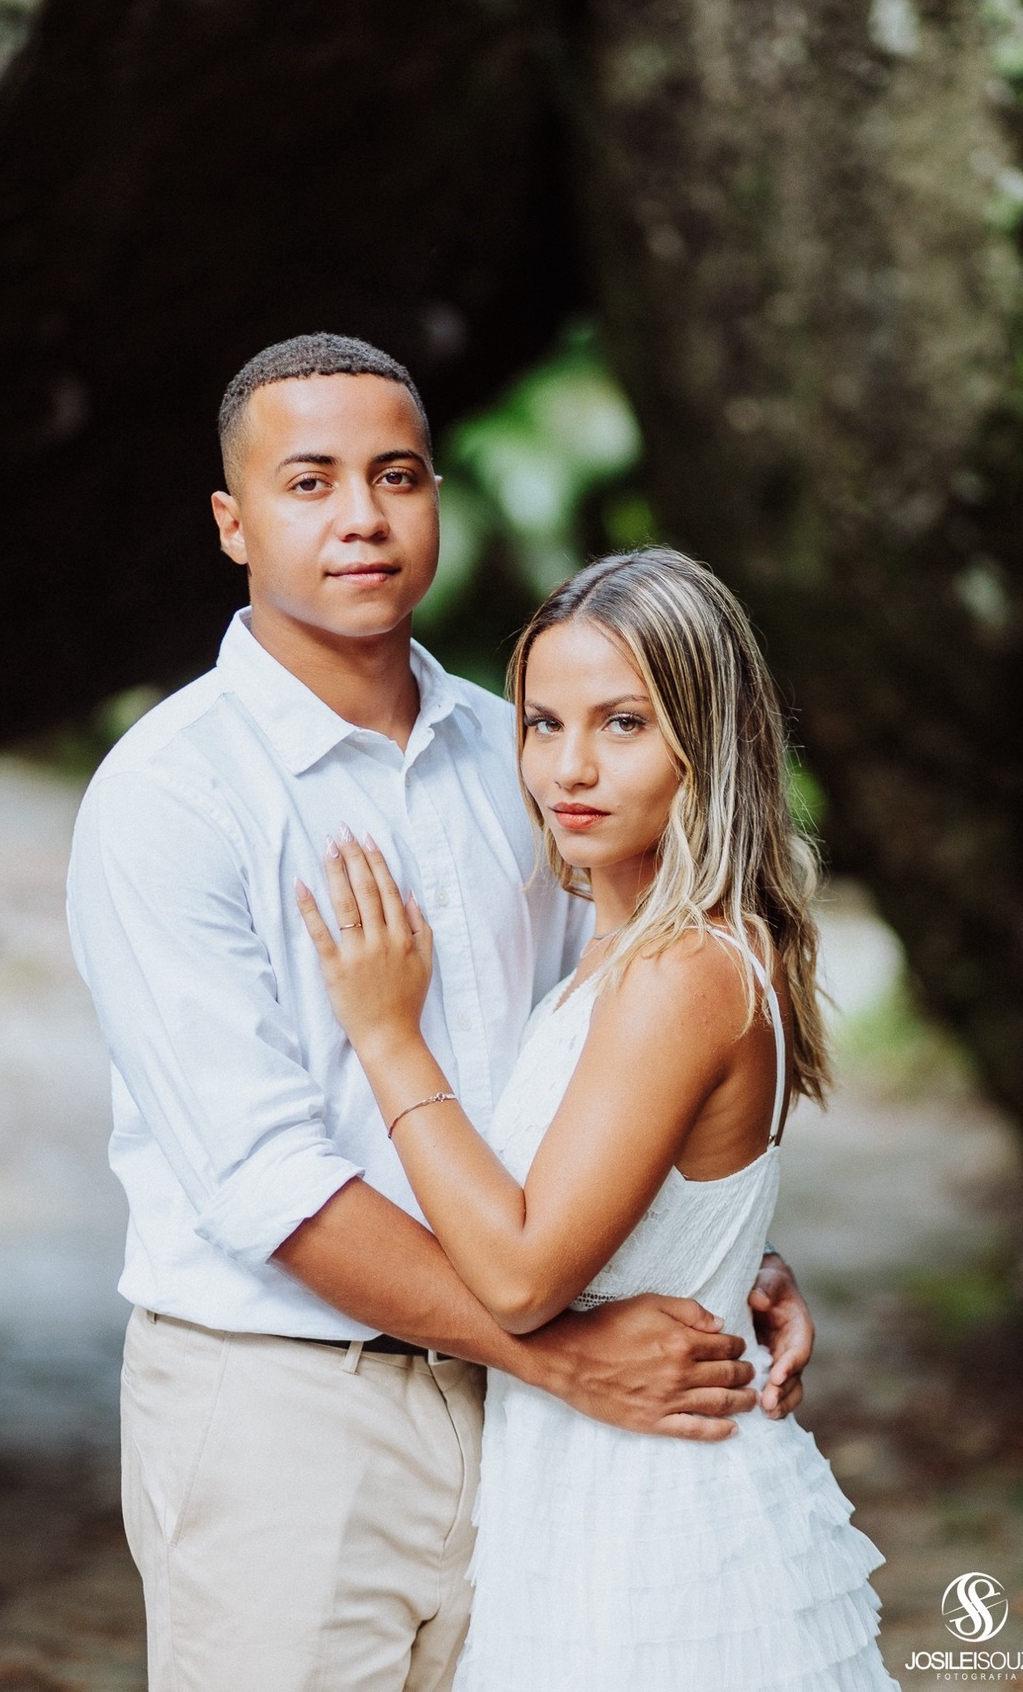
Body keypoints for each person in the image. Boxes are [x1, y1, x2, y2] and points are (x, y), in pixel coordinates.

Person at [66, 334, 815, 1692]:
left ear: (437, 497)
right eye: (310, 481)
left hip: (530, 1428)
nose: (361, 515)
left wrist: (716, 1260)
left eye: (397, 474)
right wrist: (567, 1353)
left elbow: (599, 1070)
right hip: (289, 1405)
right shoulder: (171, 796)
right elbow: (262, 1178)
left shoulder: (523, 753)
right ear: (234, 523)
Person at [298, 547, 898, 1691]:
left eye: (623, 723)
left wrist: (388, 1037)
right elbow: (643, 1200)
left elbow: (524, 1277)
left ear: (705, 744)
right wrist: (735, 1258)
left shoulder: (683, 972)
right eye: (542, 723)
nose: (568, 768)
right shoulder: (635, 956)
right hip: (581, 1500)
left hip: (656, 1526)